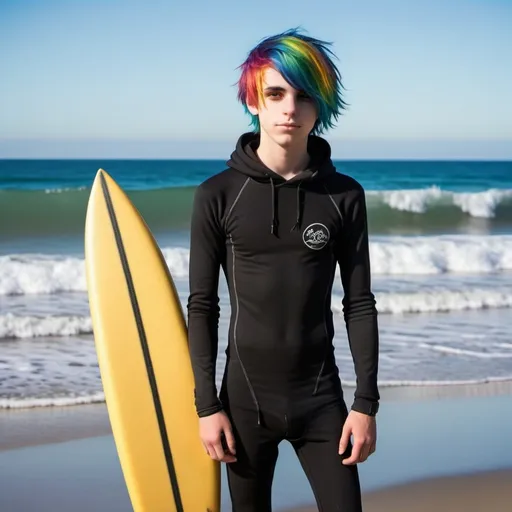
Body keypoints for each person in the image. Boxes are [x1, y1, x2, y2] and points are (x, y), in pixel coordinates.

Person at [187, 27, 379, 512]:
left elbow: (358, 303)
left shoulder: (343, 196)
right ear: (255, 101)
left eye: (303, 95)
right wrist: (207, 407)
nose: (289, 108)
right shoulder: (218, 195)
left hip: (321, 400)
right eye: (275, 93)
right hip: (245, 402)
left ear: (321, 107)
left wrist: (365, 405)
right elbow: (202, 306)